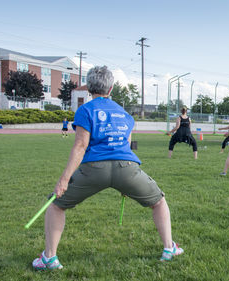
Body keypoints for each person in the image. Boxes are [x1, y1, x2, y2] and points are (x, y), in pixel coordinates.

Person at [32, 66, 183, 270]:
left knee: (56, 205)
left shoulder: (85, 110)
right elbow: (127, 145)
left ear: (89, 88)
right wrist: (125, 183)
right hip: (126, 168)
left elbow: (80, 146)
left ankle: (50, 258)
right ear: (111, 89)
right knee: (159, 202)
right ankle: (169, 248)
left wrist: (64, 179)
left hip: (94, 168)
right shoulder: (124, 114)